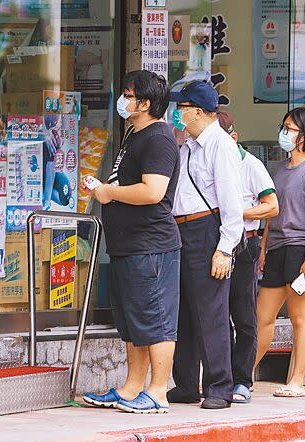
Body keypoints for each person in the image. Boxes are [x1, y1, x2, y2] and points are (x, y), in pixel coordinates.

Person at [81, 70, 181, 414]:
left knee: (156, 319)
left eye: (129, 94)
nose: (123, 100)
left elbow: (153, 191)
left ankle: (157, 392)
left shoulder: (159, 138)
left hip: (151, 245)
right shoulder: (134, 135)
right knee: (133, 321)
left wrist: (108, 192)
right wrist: (101, 188)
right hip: (127, 245)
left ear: (146, 103)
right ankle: (131, 388)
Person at [169, 81, 244, 410]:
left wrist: (224, 248)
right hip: (181, 230)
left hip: (207, 230)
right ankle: (185, 383)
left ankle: (219, 386)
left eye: (182, 108)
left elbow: (231, 205)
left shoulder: (220, 146)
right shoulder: (188, 145)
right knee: (183, 311)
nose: (177, 113)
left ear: (196, 111)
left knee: (212, 313)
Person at [254, 107, 305, 398]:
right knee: (263, 316)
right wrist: (263, 248)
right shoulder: (281, 169)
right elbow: (272, 212)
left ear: (304, 135)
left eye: (290, 128)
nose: (284, 133)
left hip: (301, 249)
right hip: (276, 248)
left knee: (300, 317)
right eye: (283, 126)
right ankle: (242, 375)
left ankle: (297, 380)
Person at [217, 111, 279, 404]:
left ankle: (242, 380)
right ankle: (221, 378)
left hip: (244, 244)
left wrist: (236, 213)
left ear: (233, 137)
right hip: (215, 245)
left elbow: (271, 206)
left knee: (243, 314)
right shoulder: (206, 161)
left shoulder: (250, 165)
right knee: (216, 315)